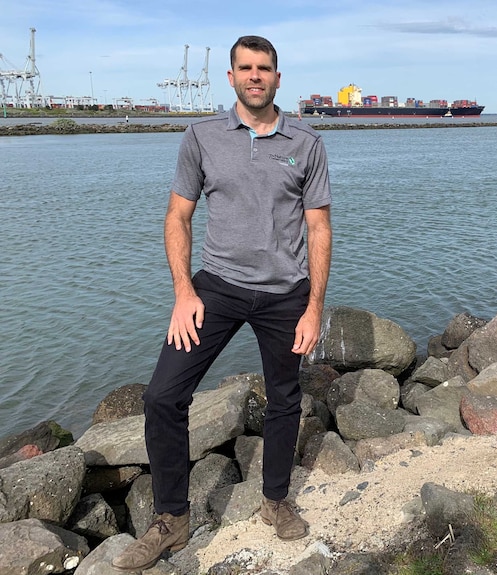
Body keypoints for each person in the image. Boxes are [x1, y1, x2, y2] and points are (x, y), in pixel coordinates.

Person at [113, 35, 332, 571]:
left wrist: (314, 307)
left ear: (278, 78)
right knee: (163, 395)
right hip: (218, 288)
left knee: (284, 400)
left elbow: (320, 227)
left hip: (286, 295)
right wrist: (183, 291)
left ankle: (275, 501)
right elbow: (177, 216)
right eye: (245, 68)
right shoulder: (202, 137)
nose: (255, 76)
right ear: (231, 77)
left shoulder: (307, 142)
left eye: (265, 69)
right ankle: (172, 518)